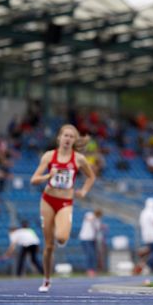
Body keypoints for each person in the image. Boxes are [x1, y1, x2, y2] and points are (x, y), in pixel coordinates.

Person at [30, 124, 96, 292]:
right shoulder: (49, 156)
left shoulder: (79, 159)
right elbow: (34, 179)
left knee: (61, 238)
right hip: (48, 200)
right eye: (65, 135)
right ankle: (46, 279)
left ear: (74, 140)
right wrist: (48, 176)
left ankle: (63, 226)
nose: (68, 139)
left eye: (71, 136)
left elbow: (91, 177)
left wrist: (84, 191)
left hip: (65, 202)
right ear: (59, 138)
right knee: (49, 245)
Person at [78, 211, 98, 277]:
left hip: (92, 239)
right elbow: (87, 218)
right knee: (89, 254)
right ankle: (89, 270)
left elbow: (97, 228)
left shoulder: (97, 220)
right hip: (85, 238)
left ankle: (92, 269)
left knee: (93, 255)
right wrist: (94, 217)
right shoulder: (90, 214)